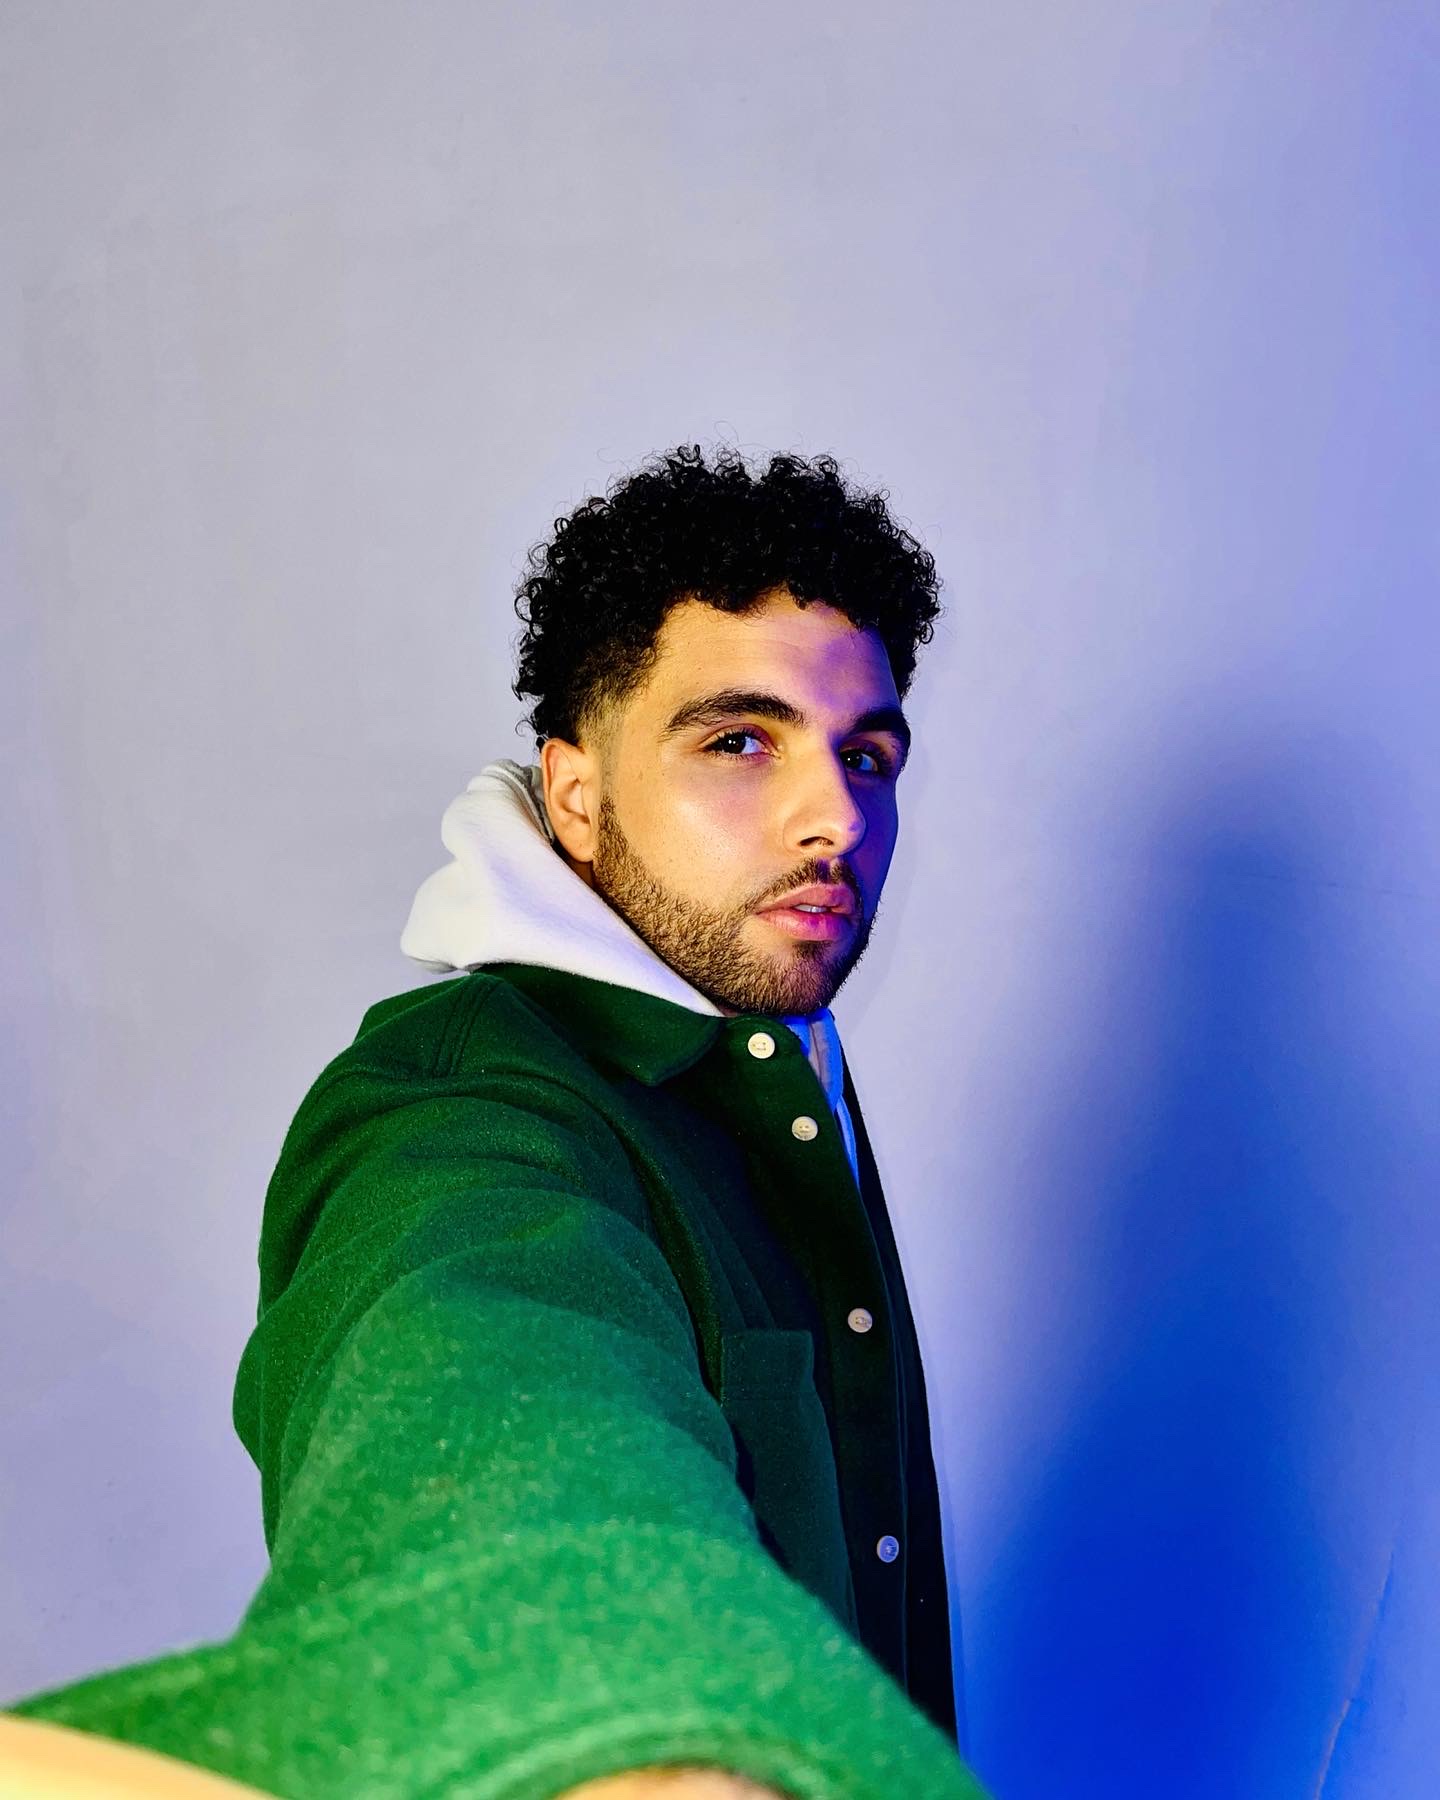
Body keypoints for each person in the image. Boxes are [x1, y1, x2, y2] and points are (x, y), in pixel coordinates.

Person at [6, 445, 991, 1799]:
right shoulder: (459, 1104)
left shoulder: (765, 1037)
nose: (835, 818)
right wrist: (628, 1730)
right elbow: (490, 1391)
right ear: (577, 797)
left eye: (865, 755)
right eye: (739, 742)